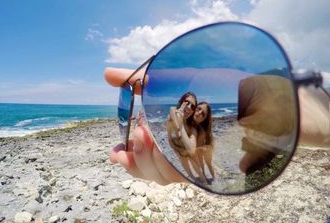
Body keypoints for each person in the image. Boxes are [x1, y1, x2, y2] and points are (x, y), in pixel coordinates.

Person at [105, 67, 330, 185]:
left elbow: (192, 142)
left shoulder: (189, 122)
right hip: (182, 145)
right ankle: (204, 176)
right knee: (193, 165)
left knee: (205, 163)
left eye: (192, 105)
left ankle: (208, 176)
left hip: (198, 144)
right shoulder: (174, 115)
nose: (187, 106)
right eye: (185, 102)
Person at [166, 92, 208, 183]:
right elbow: (169, 135)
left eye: (192, 106)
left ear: (193, 111)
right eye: (186, 102)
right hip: (178, 147)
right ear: (181, 102)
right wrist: (173, 147)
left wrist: (180, 126)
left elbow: (192, 150)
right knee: (185, 164)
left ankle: (204, 182)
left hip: (188, 147)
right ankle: (192, 179)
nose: (189, 107)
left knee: (196, 164)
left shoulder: (192, 127)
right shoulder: (171, 116)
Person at [193, 102, 215, 182]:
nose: (199, 113)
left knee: (208, 163)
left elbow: (197, 147)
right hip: (200, 147)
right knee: (201, 162)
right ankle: (204, 176)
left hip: (206, 147)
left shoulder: (201, 130)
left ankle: (214, 179)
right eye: (198, 108)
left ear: (205, 118)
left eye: (203, 114)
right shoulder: (191, 123)